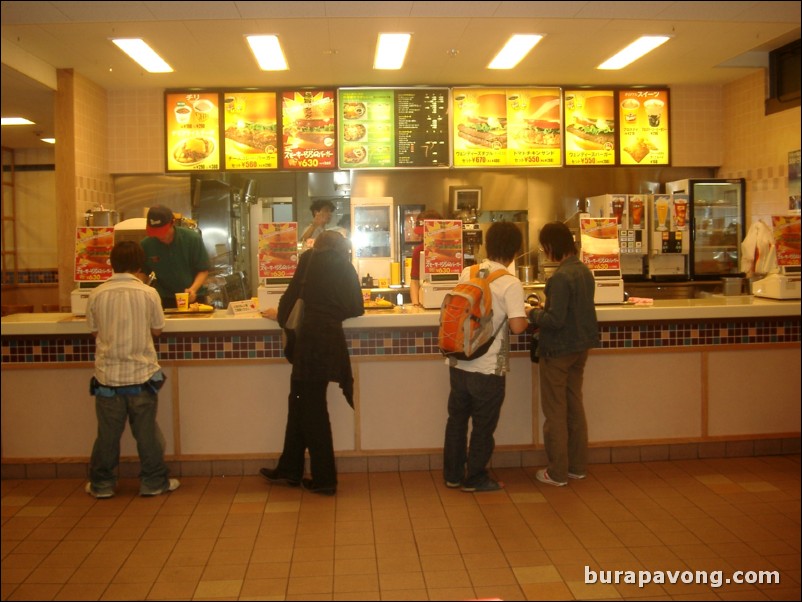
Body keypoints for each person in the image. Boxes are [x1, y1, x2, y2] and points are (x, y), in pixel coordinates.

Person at [260, 231, 364, 495]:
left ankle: (325, 479)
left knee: (311, 408)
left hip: (309, 344)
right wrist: (331, 312)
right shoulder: (345, 265)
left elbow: (290, 299)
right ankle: (290, 468)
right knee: (299, 402)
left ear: (316, 245)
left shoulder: (308, 260)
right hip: (331, 342)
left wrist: (278, 315)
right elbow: (356, 306)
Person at [85, 241, 179, 498]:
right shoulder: (148, 293)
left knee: (107, 435)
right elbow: (158, 329)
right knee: (146, 434)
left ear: (111, 264)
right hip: (141, 376)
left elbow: (95, 331)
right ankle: (153, 483)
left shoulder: (96, 293)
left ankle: (102, 485)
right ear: (140, 264)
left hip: (107, 377)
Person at [443, 221, 529, 492]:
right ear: (516, 250)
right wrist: (527, 312)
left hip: (458, 359)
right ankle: (475, 477)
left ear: (487, 246)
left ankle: (453, 475)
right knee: (483, 425)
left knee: (456, 420)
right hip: (488, 366)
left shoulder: (467, 272)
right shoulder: (510, 283)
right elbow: (517, 326)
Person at [526, 221, 599, 487]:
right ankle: (577, 467)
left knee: (555, 412)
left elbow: (554, 320)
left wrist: (531, 312)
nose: (545, 253)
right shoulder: (584, 271)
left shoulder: (559, 277)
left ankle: (557, 472)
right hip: (580, 348)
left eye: (545, 247)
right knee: (574, 407)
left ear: (551, 246)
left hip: (557, 351)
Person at [141, 205, 211, 308]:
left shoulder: (192, 239)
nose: (160, 236)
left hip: (193, 299)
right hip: (164, 299)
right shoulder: (147, 244)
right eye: (155, 233)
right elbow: (143, 272)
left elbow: (203, 270)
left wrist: (193, 289)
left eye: (163, 232)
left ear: (172, 223)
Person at [408, 209, 443, 306]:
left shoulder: (453, 251)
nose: (423, 236)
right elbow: (414, 281)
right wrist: (415, 305)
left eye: (426, 233)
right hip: (427, 301)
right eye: (422, 234)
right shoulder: (418, 251)